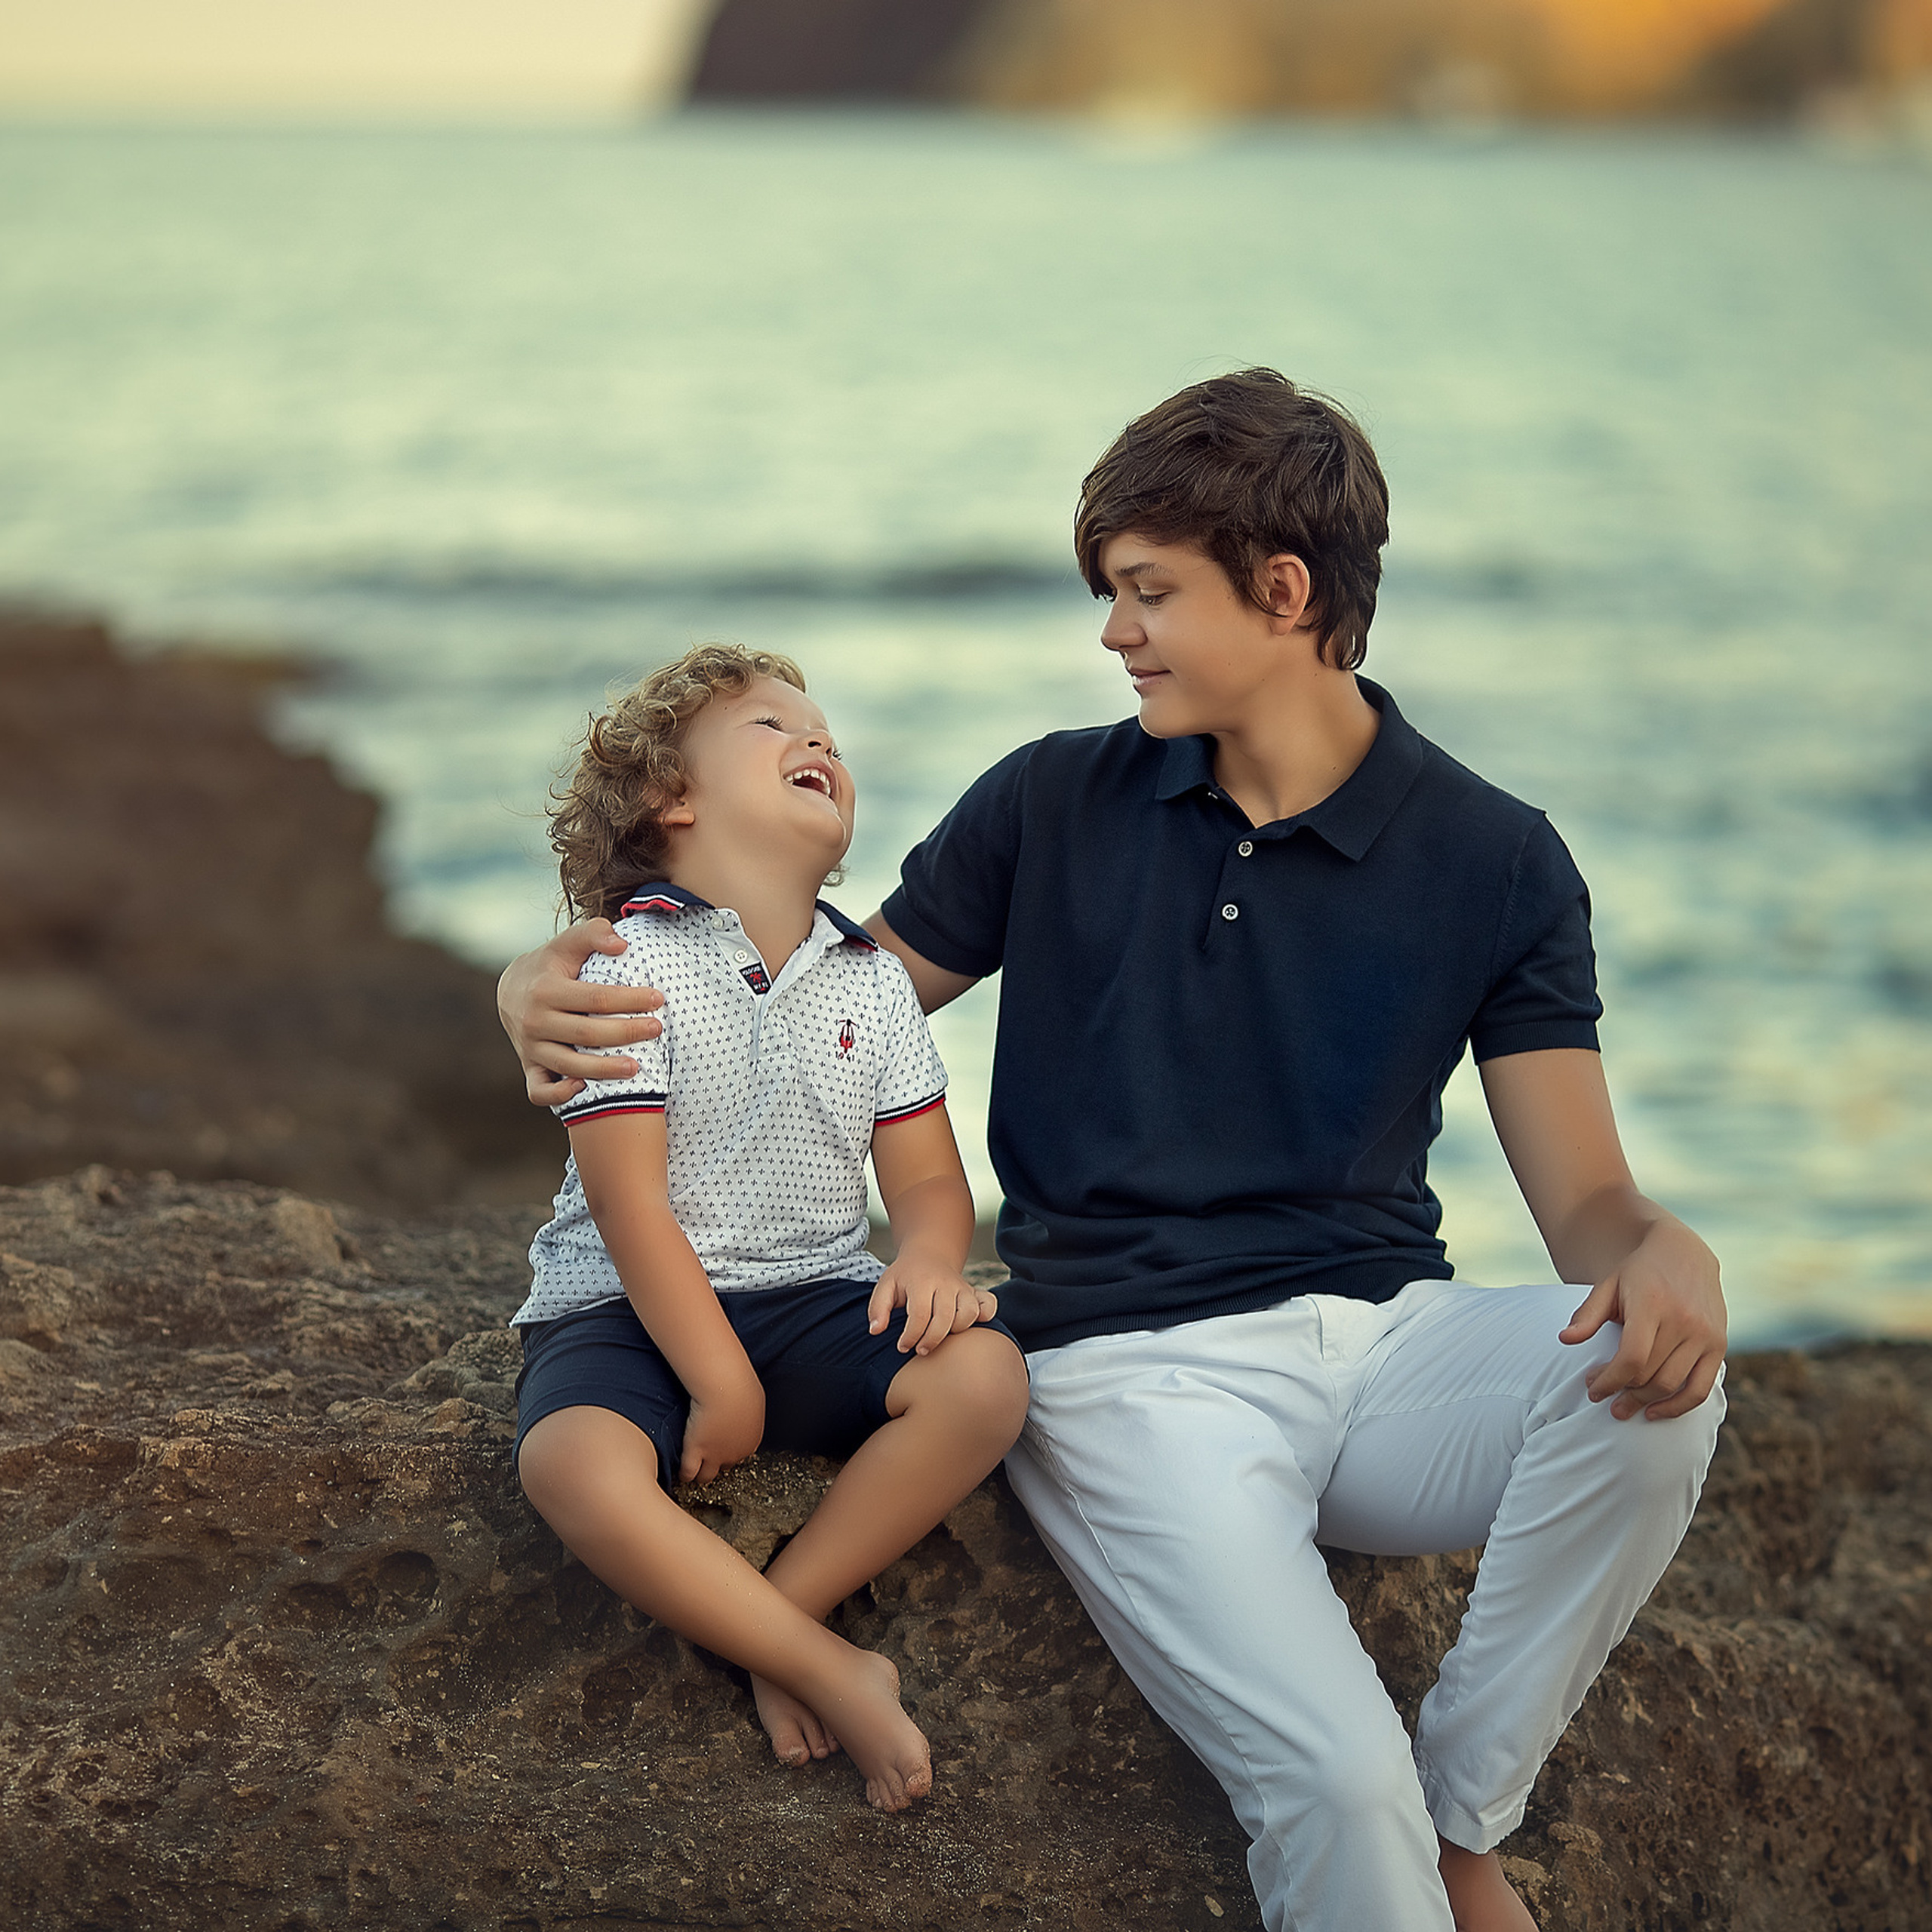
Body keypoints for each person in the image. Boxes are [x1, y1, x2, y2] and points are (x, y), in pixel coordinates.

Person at [498, 374, 1727, 1930]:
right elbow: (805, 1001)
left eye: (1146, 592)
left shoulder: (1495, 857)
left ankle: (1468, 1810)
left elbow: (1587, 1207)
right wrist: (537, 979)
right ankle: (1409, 1835)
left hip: (1386, 1346)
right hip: (1128, 1371)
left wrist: (1661, 1249)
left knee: (1655, 1385)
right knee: (1334, 1795)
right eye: (1109, 594)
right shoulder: (1053, 798)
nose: (1112, 632)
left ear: (1282, 593)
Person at [509, 642, 1029, 1816]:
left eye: (829, 737)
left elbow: (932, 1190)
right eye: (773, 728)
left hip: (810, 1296)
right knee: (568, 1464)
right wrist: (718, 1380)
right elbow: (628, 1204)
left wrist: (936, 1264)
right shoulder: (626, 966)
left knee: (987, 1381)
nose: (819, 745)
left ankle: (781, 1627)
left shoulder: (870, 980)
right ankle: (830, 1664)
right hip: (625, 1305)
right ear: (669, 800)